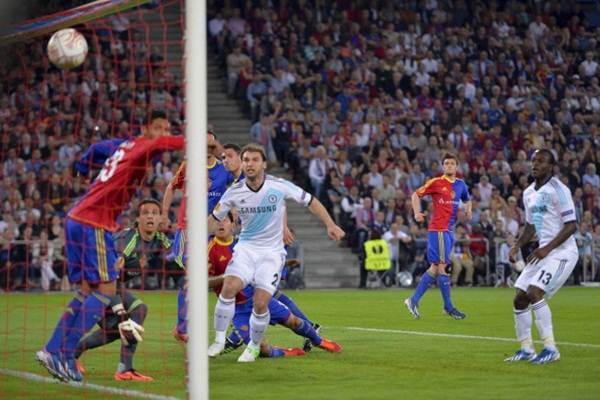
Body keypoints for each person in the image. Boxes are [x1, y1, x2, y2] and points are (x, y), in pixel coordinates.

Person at [35, 110, 184, 382]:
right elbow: (162, 144)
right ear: (146, 129)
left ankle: (57, 352)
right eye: (159, 127)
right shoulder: (142, 145)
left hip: (76, 218)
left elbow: (95, 148)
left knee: (86, 291)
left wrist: (81, 167)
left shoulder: (122, 145)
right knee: (105, 290)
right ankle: (64, 351)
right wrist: (196, 141)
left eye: (167, 126)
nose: (163, 132)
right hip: (95, 223)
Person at [207, 144, 345, 362]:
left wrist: (330, 224)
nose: (249, 164)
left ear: (263, 164)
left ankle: (317, 340)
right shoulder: (234, 191)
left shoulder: (279, 186)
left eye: (254, 160)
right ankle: (220, 339)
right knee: (229, 286)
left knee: (265, 305)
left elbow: (310, 201)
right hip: (246, 250)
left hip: (271, 254)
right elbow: (214, 219)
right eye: (246, 160)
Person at [209, 211, 335, 358]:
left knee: (293, 322)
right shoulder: (208, 249)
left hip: (258, 299)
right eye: (217, 221)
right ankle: (284, 352)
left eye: (224, 220)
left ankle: (319, 341)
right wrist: (228, 277)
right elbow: (202, 282)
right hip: (237, 309)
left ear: (233, 225)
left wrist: (285, 264)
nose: (220, 223)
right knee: (261, 349)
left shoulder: (244, 244)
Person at [74, 199, 170, 381]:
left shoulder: (157, 240)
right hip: (97, 282)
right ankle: (125, 369)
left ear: (161, 219)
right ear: (137, 219)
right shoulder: (128, 241)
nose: (150, 216)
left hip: (112, 284)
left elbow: (177, 259)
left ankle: (74, 353)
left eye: (155, 213)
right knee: (131, 317)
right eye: (145, 212)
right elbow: (110, 274)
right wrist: (119, 310)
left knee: (115, 330)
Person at [505, 149, 578, 364]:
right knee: (519, 297)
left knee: (535, 292)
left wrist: (547, 249)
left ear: (551, 167)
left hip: (563, 252)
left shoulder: (559, 189)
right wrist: (517, 245)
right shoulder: (528, 193)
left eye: (541, 161)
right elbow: (530, 226)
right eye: (533, 161)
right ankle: (526, 349)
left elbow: (571, 225)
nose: (535, 164)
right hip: (543, 252)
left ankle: (550, 348)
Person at [162, 130, 231, 342]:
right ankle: (182, 328)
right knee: (191, 278)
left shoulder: (223, 169)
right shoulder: (189, 165)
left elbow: (239, 185)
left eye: (211, 145)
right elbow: (171, 187)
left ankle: (232, 325)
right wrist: (165, 215)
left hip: (211, 232)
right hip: (188, 229)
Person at [404, 152, 472, 320]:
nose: (449, 166)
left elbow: (467, 199)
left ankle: (413, 301)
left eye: (452, 163)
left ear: (456, 166)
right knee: (444, 267)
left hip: (449, 231)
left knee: (435, 268)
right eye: (446, 163)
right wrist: (416, 212)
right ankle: (448, 307)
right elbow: (415, 194)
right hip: (438, 230)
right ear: (443, 167)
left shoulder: (460, 185)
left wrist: (468, 209)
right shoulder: (436, 183)